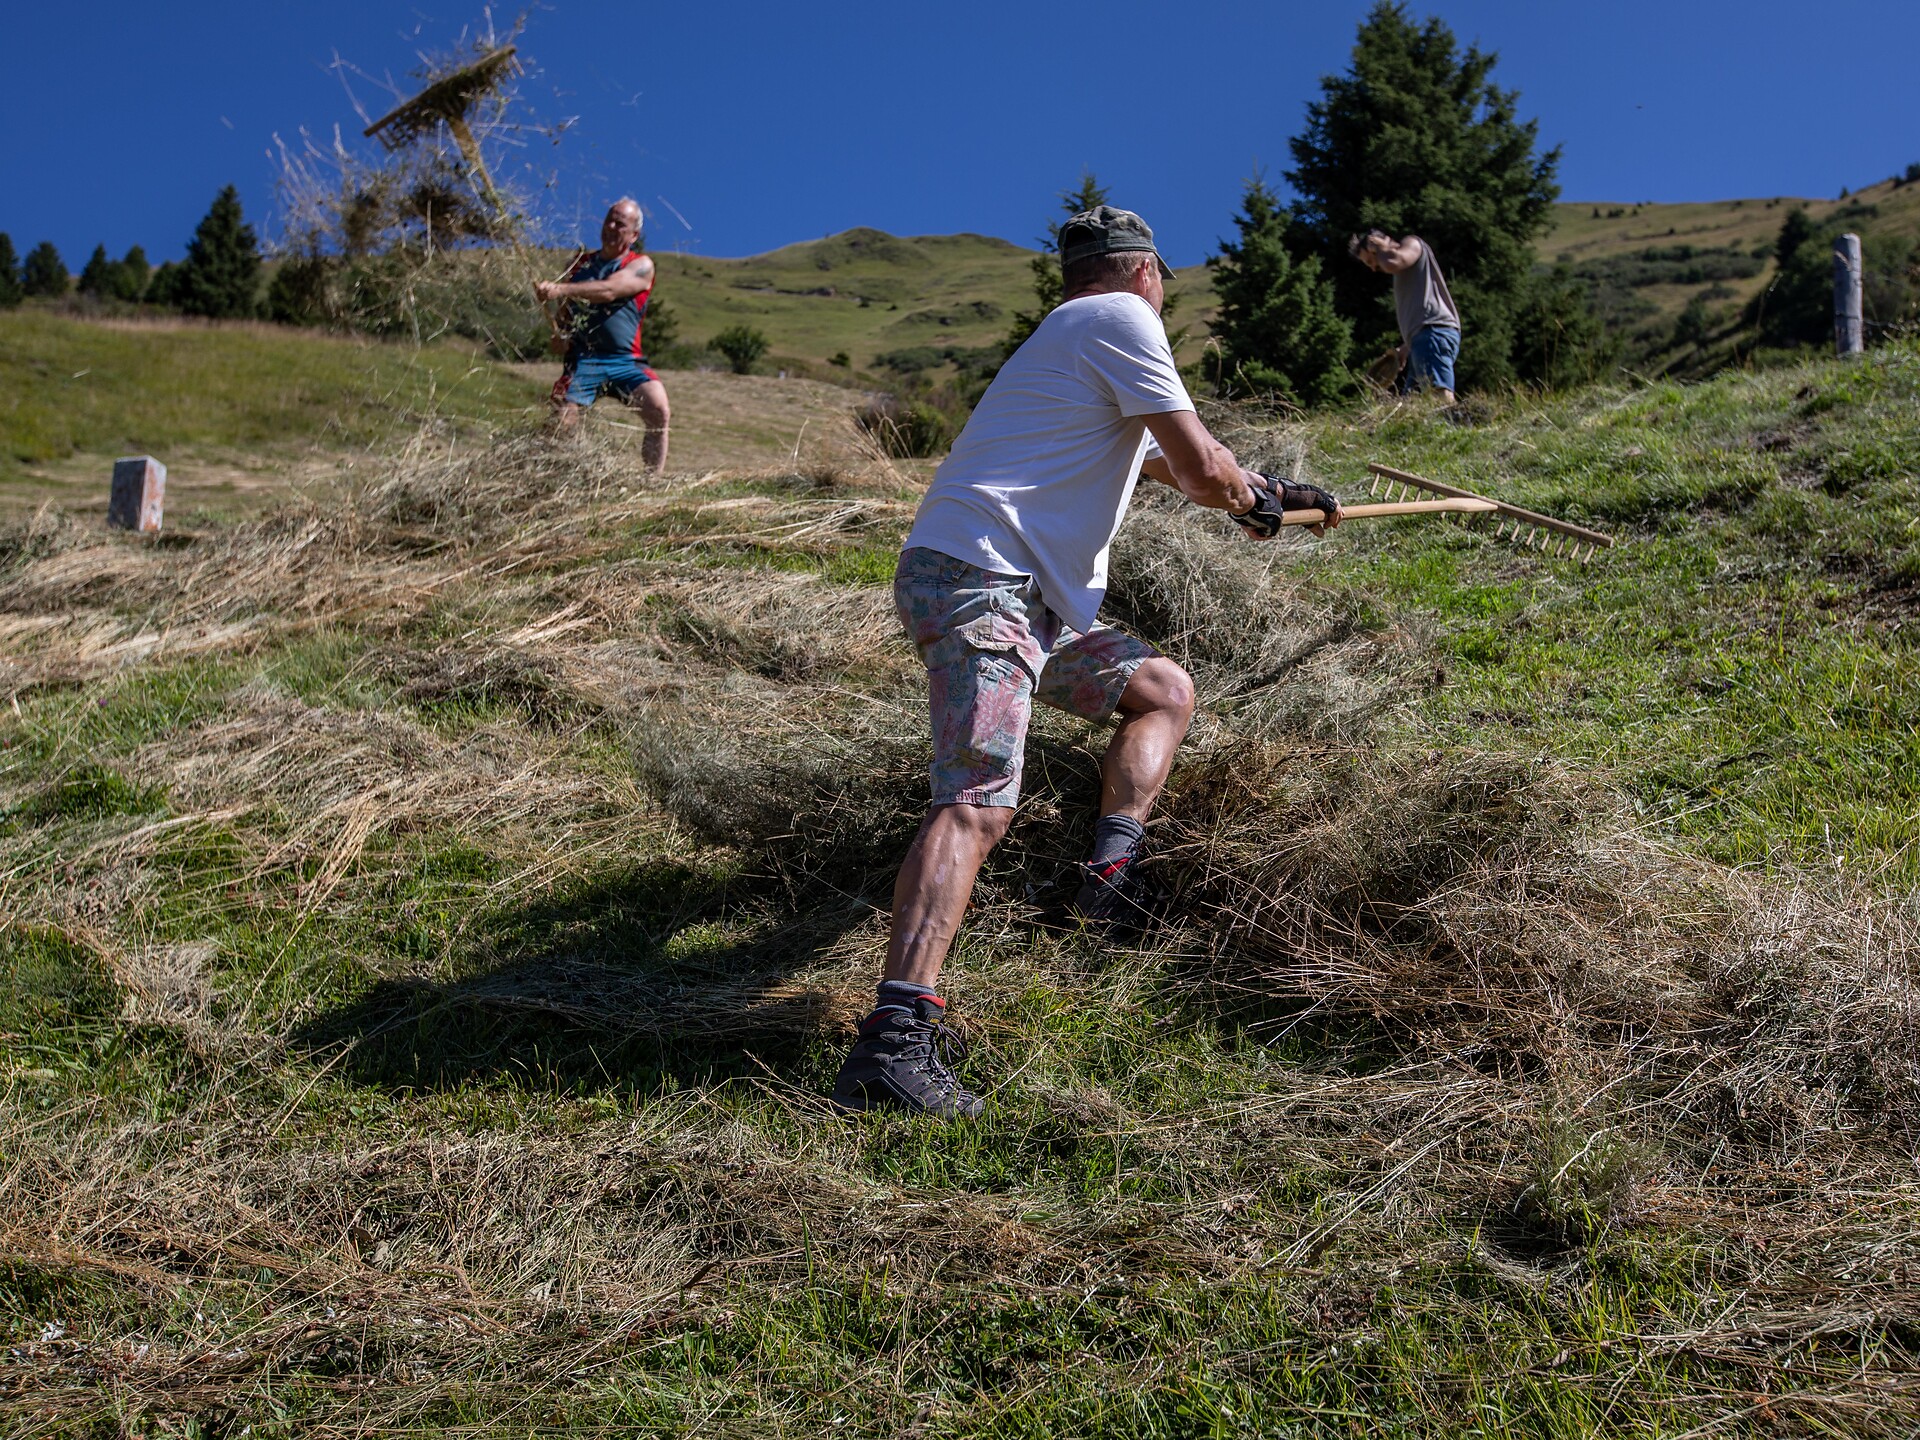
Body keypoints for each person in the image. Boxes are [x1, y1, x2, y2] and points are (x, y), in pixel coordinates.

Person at [831, 206, 1344, 1119]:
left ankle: (1107, 881)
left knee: (1161, 690)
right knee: (977, 802)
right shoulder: (1120, 323)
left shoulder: (1073, 340)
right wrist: (1243, 496)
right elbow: (1198, 470)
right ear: (1146, 273)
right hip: (981, 584)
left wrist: (1267, 493)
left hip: (1021, 598)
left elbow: (1167, 462)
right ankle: (895, 1041)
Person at [535, 198, 671, 471]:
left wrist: (561, 289)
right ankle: (553, 476)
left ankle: (652, 485)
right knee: (562, 420)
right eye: (608, 219)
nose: (610, 226)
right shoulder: (579, 263)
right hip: (584, 359)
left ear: (634, 235)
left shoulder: (640, 265)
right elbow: (566, 312)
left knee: (658, 409)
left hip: (625, 360)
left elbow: (609, 290)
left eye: (619, 224)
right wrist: (561, 333)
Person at [1348, 229, 1461, 404]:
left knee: (1440, 397)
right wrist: (1405, 348)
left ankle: (1458, 428)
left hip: (1432, 336)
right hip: (1424, 339)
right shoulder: (1408, 272)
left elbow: (1394, 262)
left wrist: (1381, 247)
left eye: (1371, 260)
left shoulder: (1412, 244)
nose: (1373, 268)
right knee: (1412, 404)